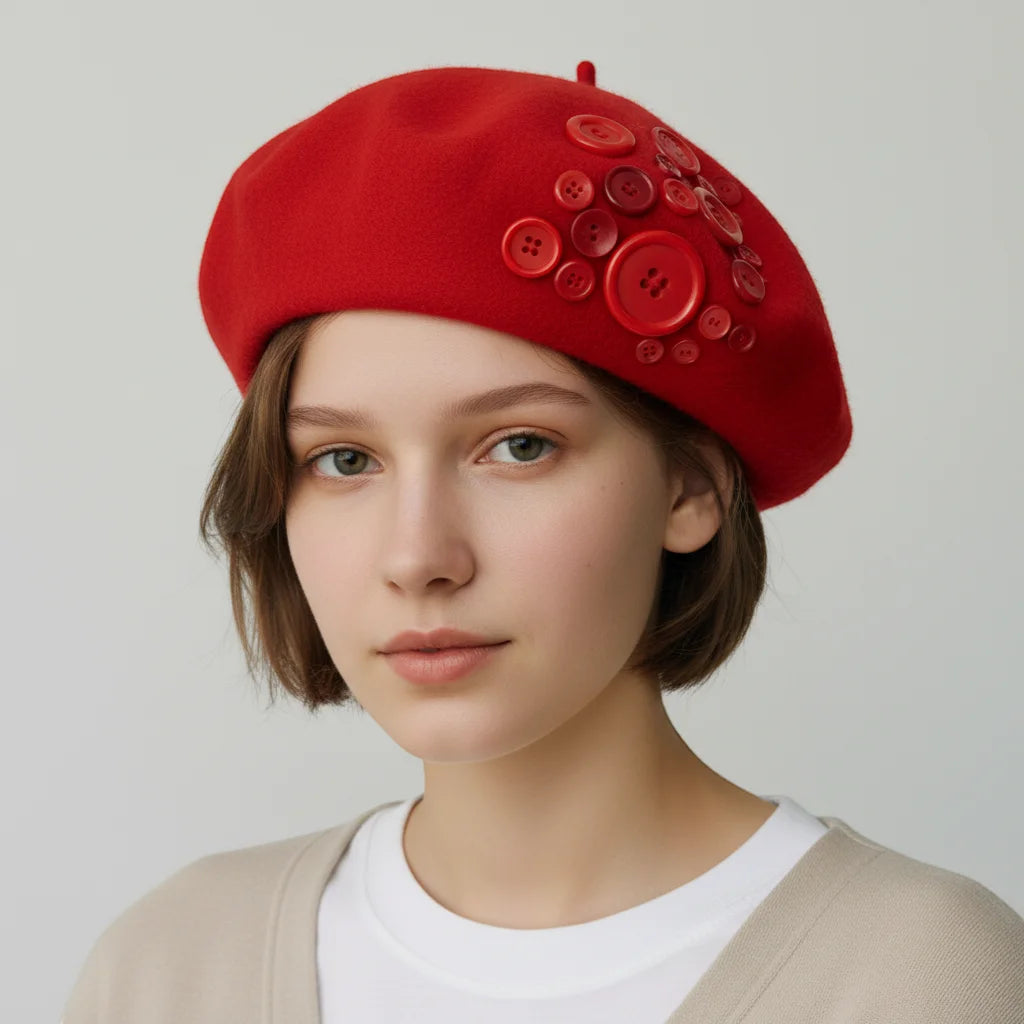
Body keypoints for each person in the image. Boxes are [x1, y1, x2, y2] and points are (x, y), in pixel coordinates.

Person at [61, 60, 1024, 1023]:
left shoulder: (923, 978)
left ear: (690, 486)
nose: (417, 557)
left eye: (519, 447)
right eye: (345, 461)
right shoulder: (173, 966)